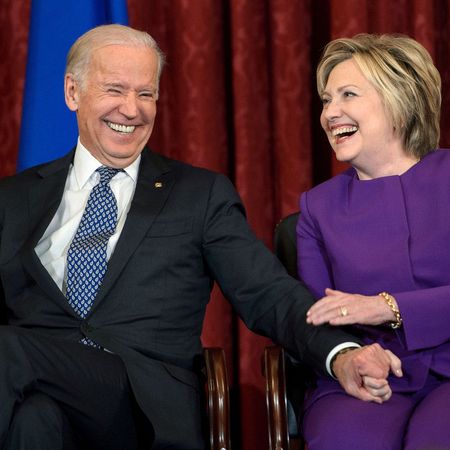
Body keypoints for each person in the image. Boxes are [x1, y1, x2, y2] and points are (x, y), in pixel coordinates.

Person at [0, 25, 398, 450]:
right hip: (37, 392)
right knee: (33, 421)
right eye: (115, 89)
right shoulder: (15, 198)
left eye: (146, 94)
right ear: (72, 92)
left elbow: (267, 292)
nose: (132, 109)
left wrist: (340, 354)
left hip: (140, 401)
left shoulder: (198, 195)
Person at [297, 33, 450, 450]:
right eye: (326, 100)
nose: (331, 112)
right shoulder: (317, 208)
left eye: (348, 94)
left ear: (399, 103)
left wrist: (388, 307)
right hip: (369, 375)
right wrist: (353, 356)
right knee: (343, 439)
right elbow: (319, 316)